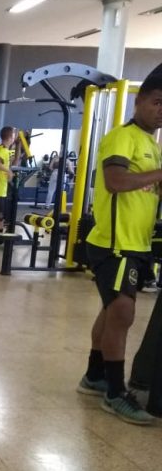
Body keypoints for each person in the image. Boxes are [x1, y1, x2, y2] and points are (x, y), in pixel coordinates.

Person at [76, 72, 162, 425]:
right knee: (123, 312)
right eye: (157, 102)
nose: (161, 110)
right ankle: (114, 393)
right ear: (139, 101)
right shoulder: (122, 137)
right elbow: (115, 181)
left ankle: (94, 375)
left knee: (113, 310)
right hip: (115, 244)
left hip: (136, 244)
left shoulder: (152, 144)